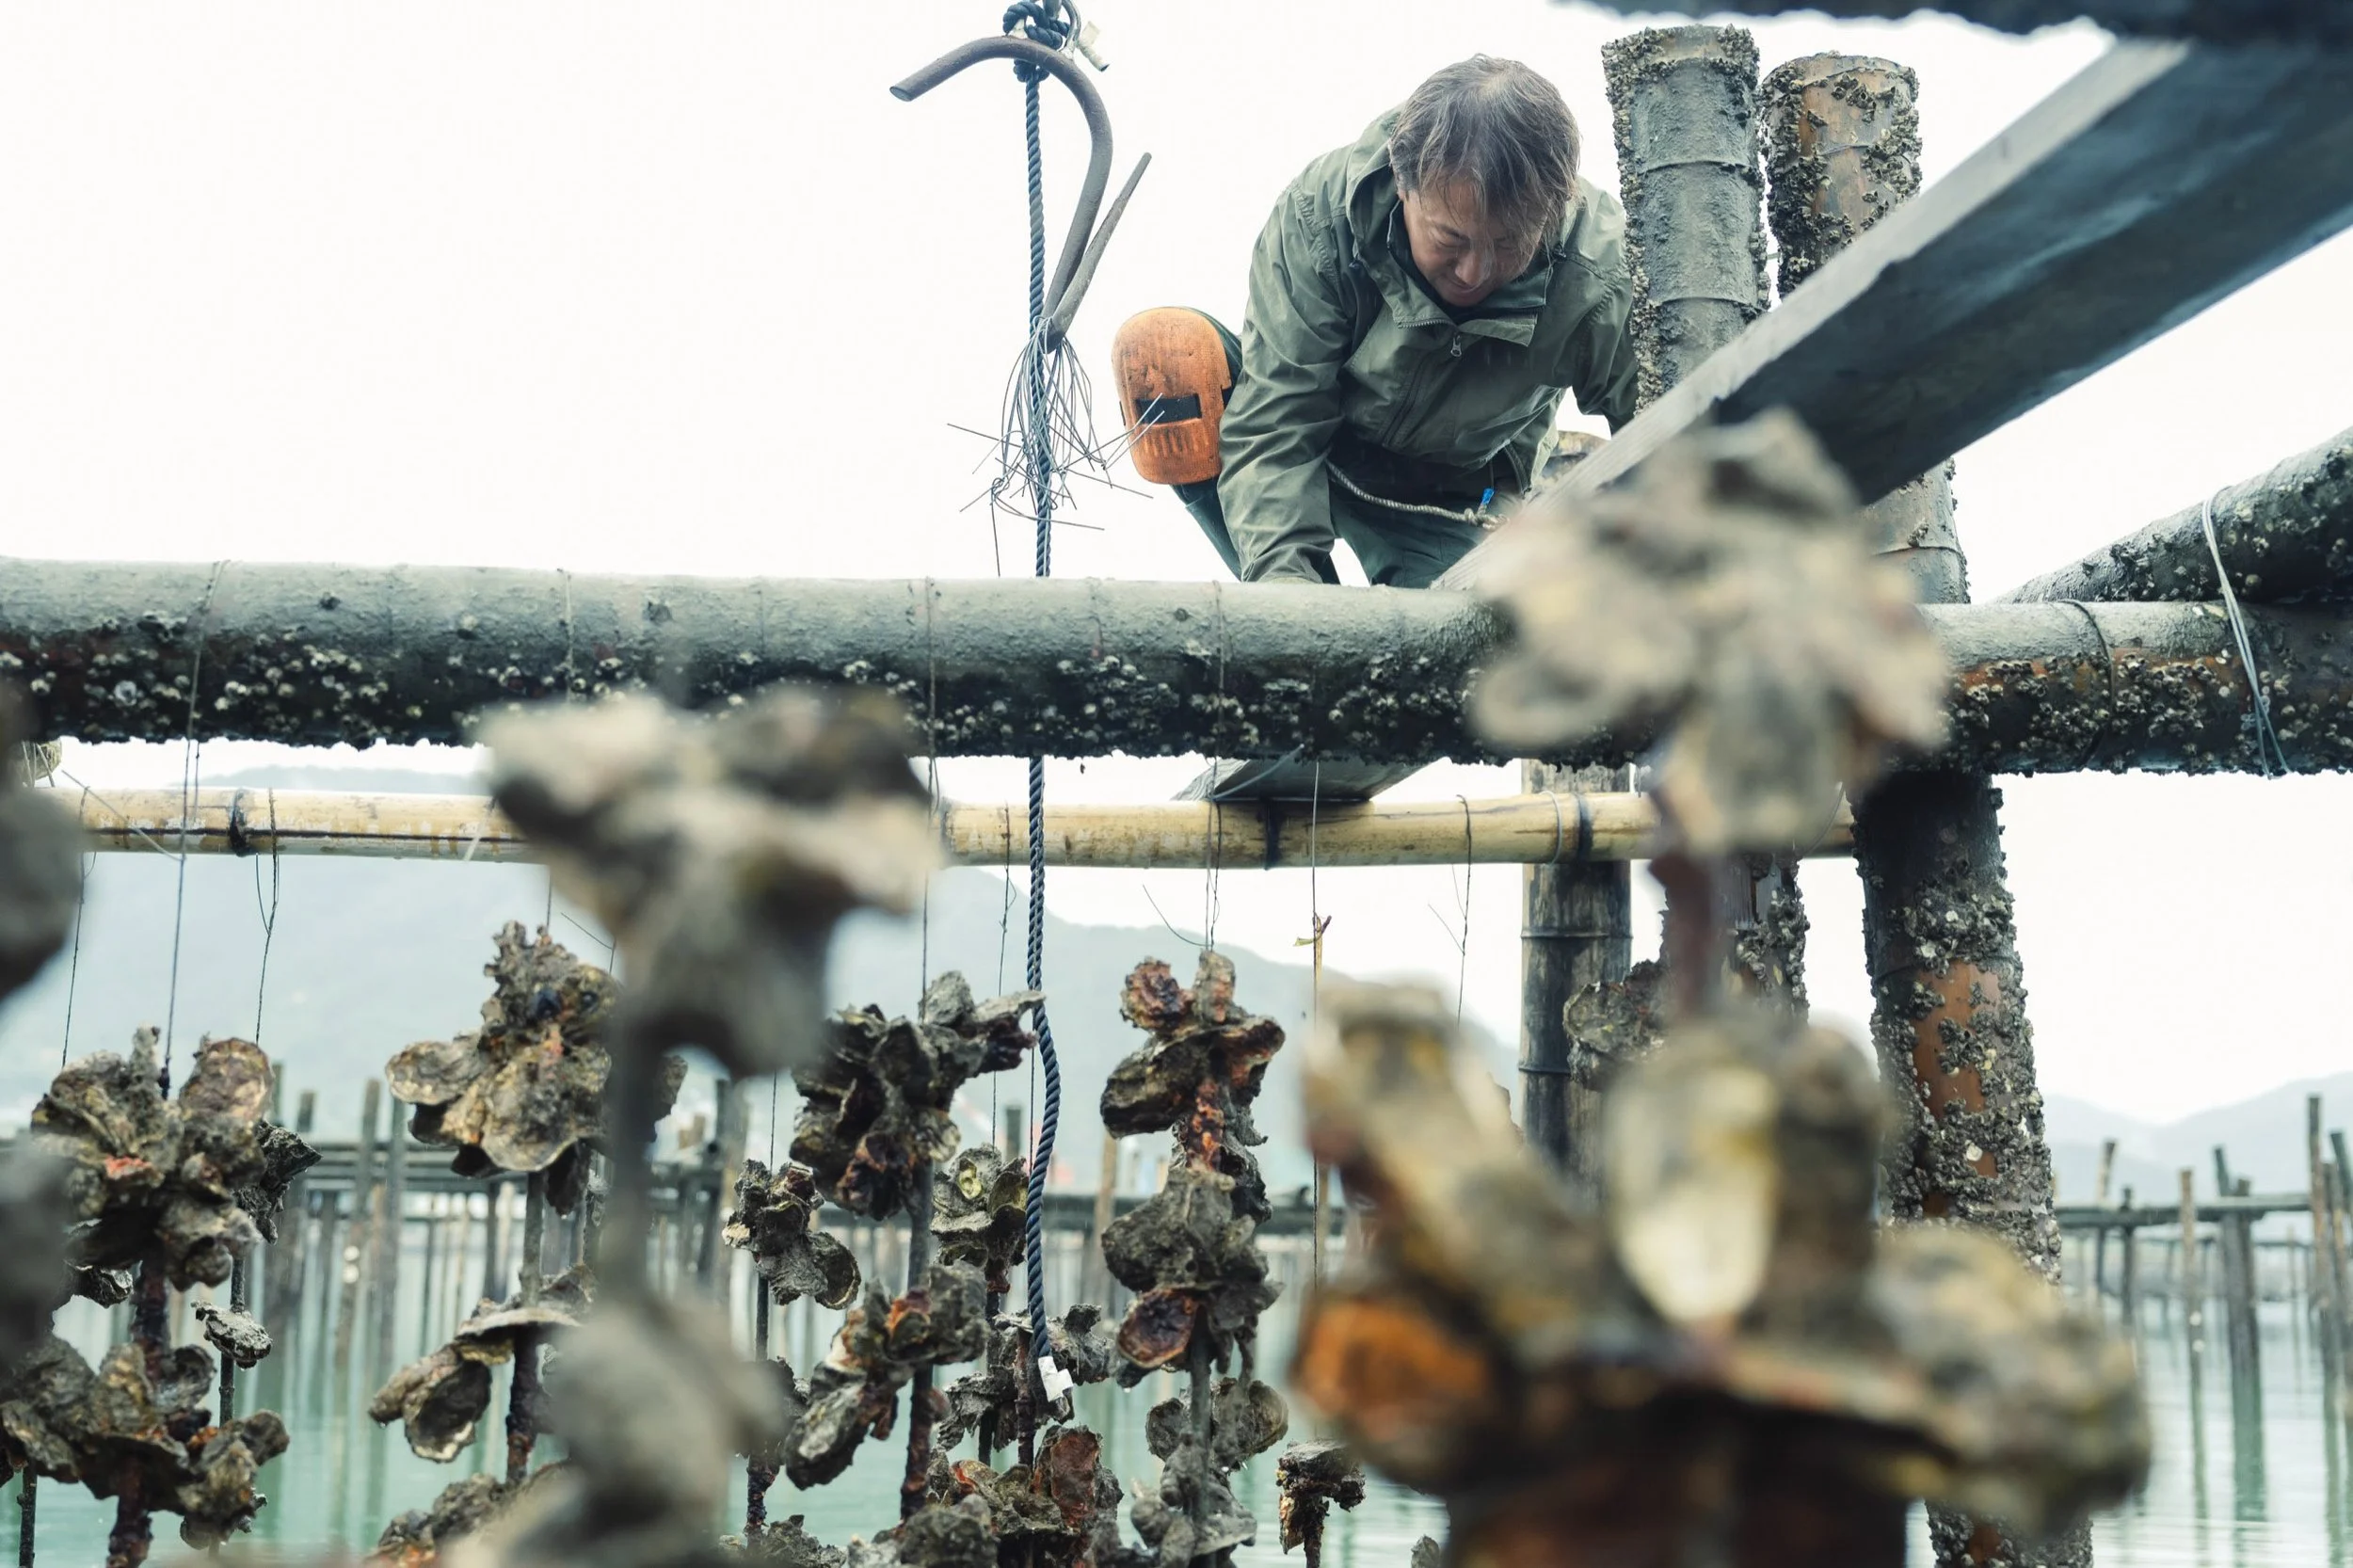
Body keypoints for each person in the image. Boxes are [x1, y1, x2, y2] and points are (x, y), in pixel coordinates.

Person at [1113, 56, 1639, 590]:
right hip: (1319, 434)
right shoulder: (1321, 216)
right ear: (1403, 183)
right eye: (1450, 239)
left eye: (1508, 245)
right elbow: (1278, 423)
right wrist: (1289, 606)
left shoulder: (1603, 275)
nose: (1475, 272)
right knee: (1165, 355)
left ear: (1556, 208)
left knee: (1445, 654)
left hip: (1456, 494)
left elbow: (1673, 440)